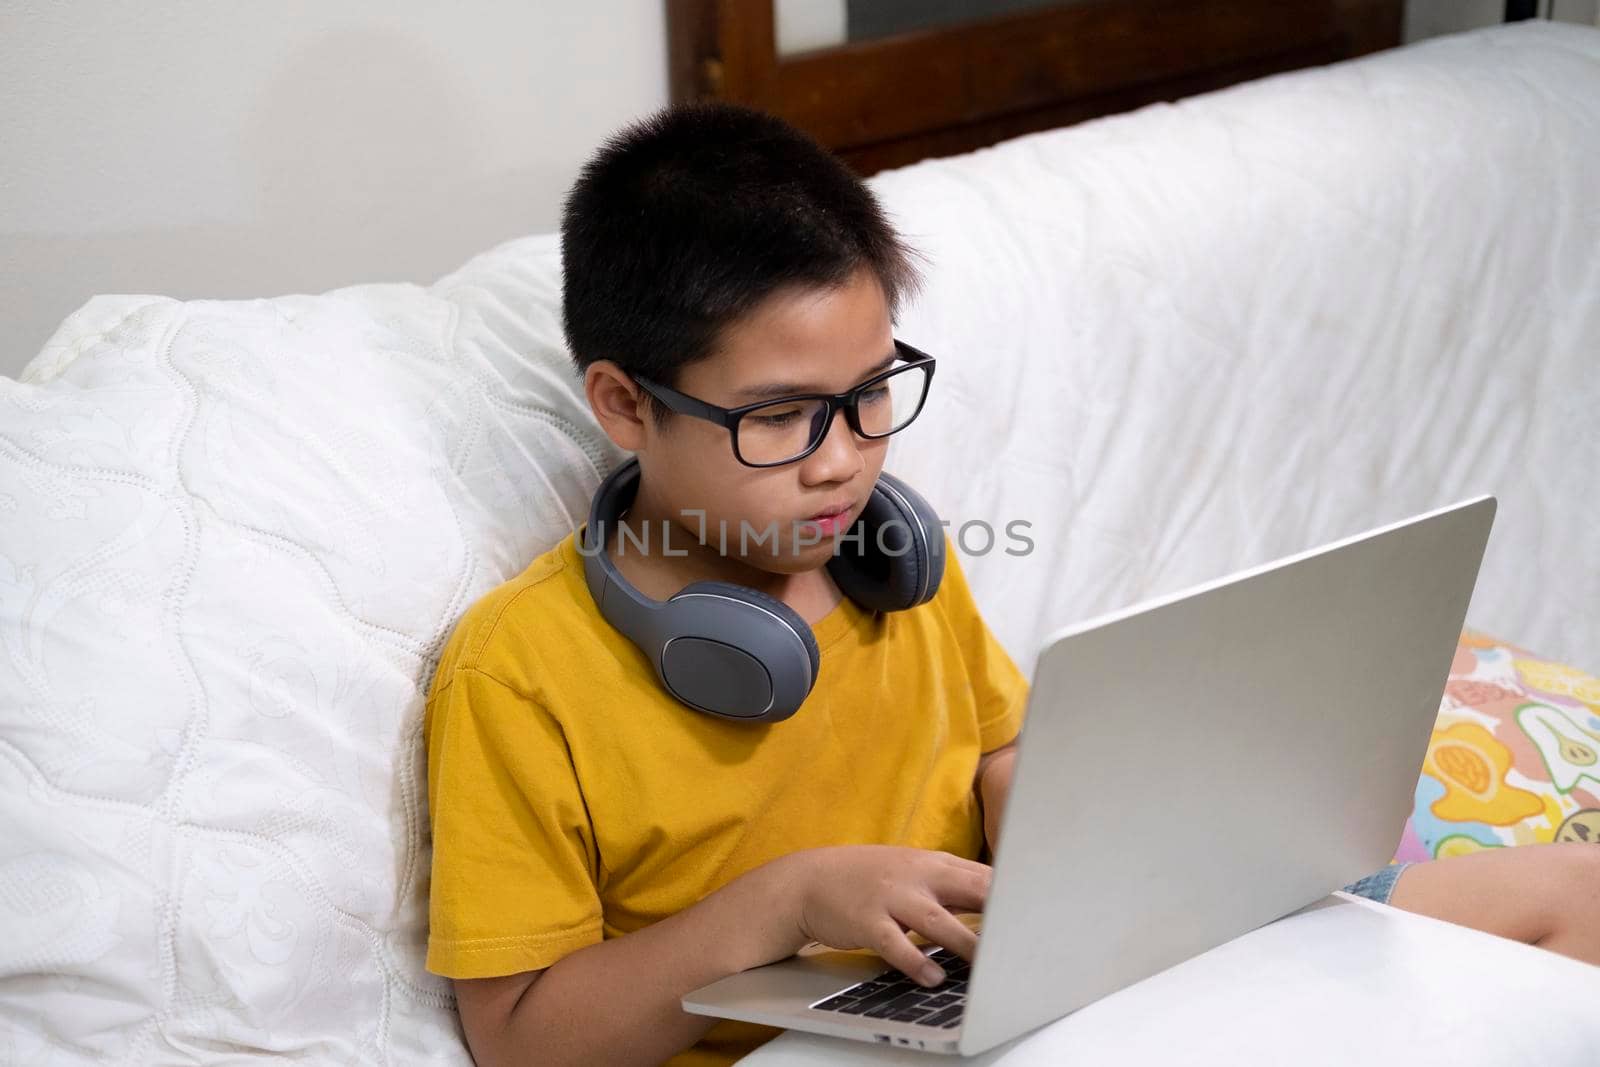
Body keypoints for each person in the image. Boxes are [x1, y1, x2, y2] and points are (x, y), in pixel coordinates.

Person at [421, 101, 1599, 1067]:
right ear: (625, 402)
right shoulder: (520, 674)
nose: (843, 459)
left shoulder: (886, 559)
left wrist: (1062, 843)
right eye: (779, 416)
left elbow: (997, 752)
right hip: (822, 1044)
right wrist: (779, 906)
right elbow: (520, 1039)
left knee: (1571, 892)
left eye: (870, 394)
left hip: (1029, 975)